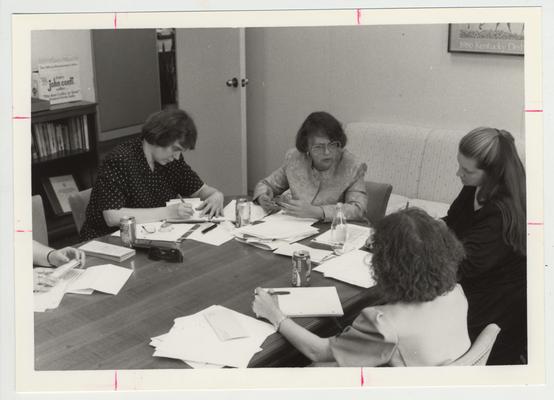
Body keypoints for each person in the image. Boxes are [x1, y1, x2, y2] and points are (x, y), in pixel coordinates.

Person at [252, 208, 470, 367]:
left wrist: (275, 315)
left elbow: (317, 351)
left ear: (387, 264)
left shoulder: (382, 323)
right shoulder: (457, 293)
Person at [444, 127, 527, 365]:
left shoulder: (502, 213)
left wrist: (414, 249)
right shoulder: (475, 184)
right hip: (472, 280)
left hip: (494, 304)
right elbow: (453, 223)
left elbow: (460, 267)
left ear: (492, 173)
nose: (458, 173)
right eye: (460, 165)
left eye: (466, 170)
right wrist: (416, 229)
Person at [80, 108, 224, 241]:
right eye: (175, 149)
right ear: (159, 137)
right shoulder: (120, 159)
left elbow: (201, 190)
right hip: (109, 241)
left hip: (152, 237)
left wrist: (216, 196)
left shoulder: (172, 162)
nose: (176, 156)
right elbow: (112, 216)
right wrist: (168, 212)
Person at [253, 111, 367, 221]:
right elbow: (266, 184)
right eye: (319, 147)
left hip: (332, 231)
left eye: (332, 145)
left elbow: (358, 209)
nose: (327, 152)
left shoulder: (352, 166)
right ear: (306, 147)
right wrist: (263, 196)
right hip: (295, 228)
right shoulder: (295, 158)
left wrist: (319, 212)